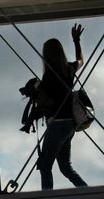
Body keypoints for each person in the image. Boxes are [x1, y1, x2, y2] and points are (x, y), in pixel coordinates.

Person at [35, 24, 89, 190]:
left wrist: (37, 90)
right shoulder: (68, 70)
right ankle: (85, 190)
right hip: (69, 125)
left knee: (45, 166)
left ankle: (47, 198)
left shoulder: (48, 76)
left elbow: (47, 102)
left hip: (57, 123)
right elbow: (81, 60)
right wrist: (76, 41)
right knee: (65, 167)